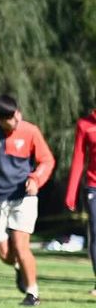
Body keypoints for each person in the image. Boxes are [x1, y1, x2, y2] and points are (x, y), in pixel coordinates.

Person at [0, 95, 55, 305]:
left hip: (23, 197)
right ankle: (19, 267)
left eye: (17, 114)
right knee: (5, 254)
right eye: (11, 118)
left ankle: (32, 293)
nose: (17, 120)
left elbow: (47, 160)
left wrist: (35, 179)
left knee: (20, 245)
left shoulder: (30, 131)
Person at [64, 108, 96, 296]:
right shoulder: (84, 125)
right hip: (93, 187)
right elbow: (78, 158)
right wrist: (71, 192)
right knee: (95, 232)